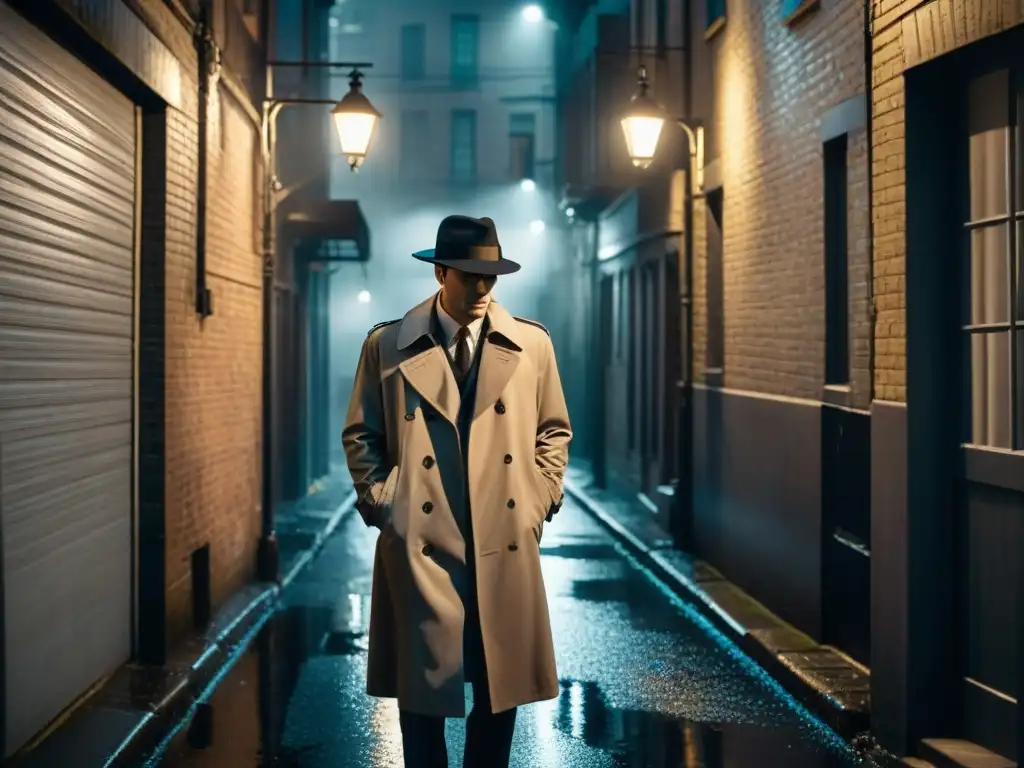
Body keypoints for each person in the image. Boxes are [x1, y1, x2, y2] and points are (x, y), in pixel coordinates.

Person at [342, 214, 572, 768]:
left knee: (498, 693)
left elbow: (553, 430)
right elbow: (361, 432)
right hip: (423, 541)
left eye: (491, 276)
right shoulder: (388, 345)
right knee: (422, 700)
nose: (483, 288)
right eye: (470, 276)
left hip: (502, 538)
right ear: (441, 273)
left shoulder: (532, 345)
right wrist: (384, 502)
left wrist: (537, 501)